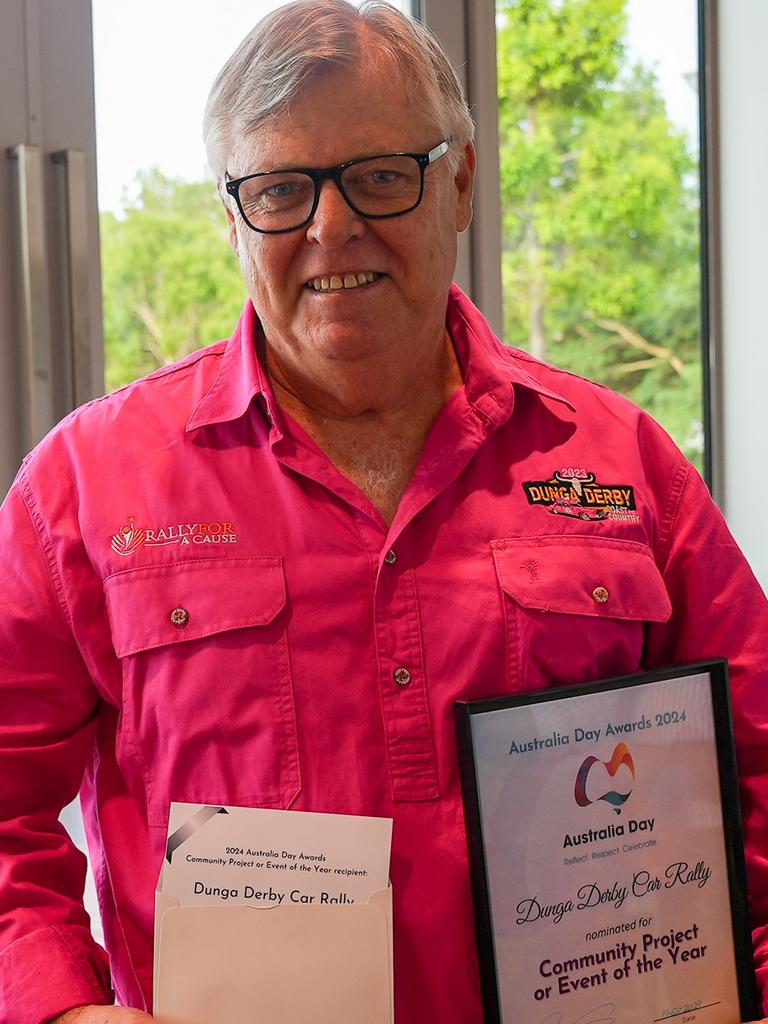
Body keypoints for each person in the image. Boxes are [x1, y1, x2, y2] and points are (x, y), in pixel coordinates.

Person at [0, 2, 766, 1023]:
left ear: (458, 180)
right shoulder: (85, 488)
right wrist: (62, 1009)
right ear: (230, 217)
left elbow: (757, 773)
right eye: (280, 189)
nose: (331, 228)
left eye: (379, 176)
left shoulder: (624, 466)